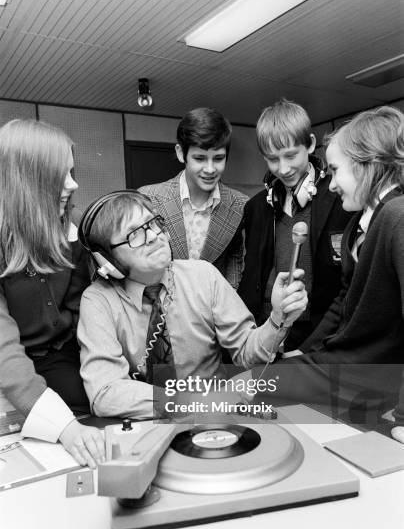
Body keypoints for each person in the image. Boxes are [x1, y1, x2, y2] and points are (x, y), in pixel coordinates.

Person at [76, 191, 307, 417]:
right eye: (135, 234)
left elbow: (248, 355)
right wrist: (193, 402)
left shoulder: (203, 276)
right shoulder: (97, 301)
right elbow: (104, 393)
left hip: (217, 420)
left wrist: (277, 318)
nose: (154, 236)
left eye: (153, 224)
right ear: (107, 260)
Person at [249, 105, 404, 439]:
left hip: (370, 374)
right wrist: (306, 352)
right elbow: (344, 301)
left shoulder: (398, 216)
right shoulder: (357, 226)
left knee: (253, 385)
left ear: (369, 167)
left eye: (335, 171)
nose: (330, 184)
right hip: (345, 365)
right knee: (257, 384)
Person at [0, 119, 104, 468]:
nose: (73, 184)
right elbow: (6, 357)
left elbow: (80, 314)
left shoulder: (68, 231)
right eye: (62, 173)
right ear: (28, 181)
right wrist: (68, 431)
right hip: (15, 368)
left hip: (63, 355)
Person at [238, 99, 352, 350]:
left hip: (320, 333)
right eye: (272, 159)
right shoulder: (256, 207)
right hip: (267, 329)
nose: (283, 168)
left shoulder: (341, 198)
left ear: (311, 144)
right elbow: (251, 277)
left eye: (291, 156)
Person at [138, 107, 247, 289]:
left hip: (215, 311)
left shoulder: (240, 205)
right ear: (181, 153)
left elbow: (234, 265)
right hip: (161, 310)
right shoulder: (147, 198)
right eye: (200, 158)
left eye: (218, 158)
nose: (210, 169)